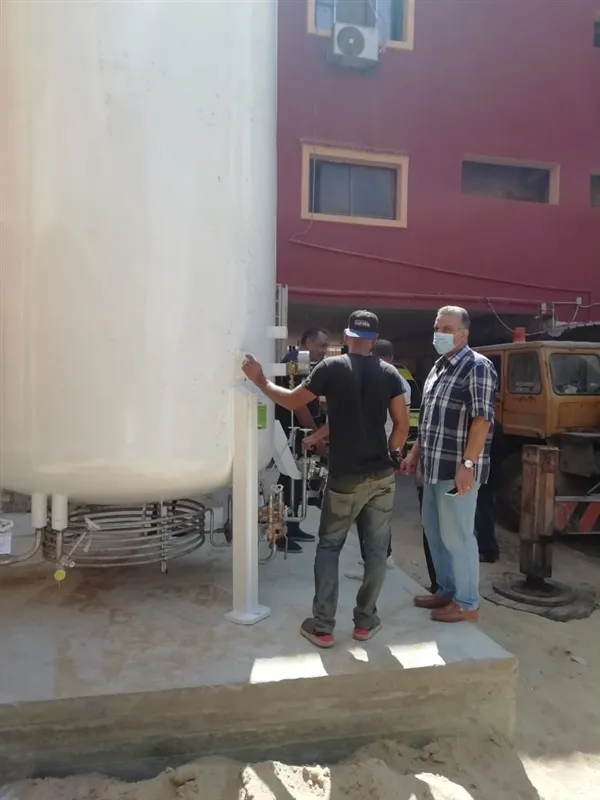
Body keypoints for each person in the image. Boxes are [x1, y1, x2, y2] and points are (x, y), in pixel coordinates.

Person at [243, 310, 409, 648]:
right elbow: (402, 426)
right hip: (381, 476)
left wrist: (260, 380)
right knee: (376, 551)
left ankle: (323, 627)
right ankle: (365, 622)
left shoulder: (331, 368)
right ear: (375, 341)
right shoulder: (389, 373)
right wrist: (392, 453)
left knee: (330, 546)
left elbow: (292, 400)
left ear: (345, 338)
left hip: (345, 476)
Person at [401, 306, 497, 623]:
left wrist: (467, 464)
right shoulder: (438, 368)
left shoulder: (477, 366)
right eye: (437, 327)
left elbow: (482, 420)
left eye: (447, 329)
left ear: (463, 334)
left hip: (457, 472)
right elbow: (429, 421)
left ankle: (467, 603)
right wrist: (414, 454)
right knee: (435, 532)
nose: (439, 334)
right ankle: (446, 590)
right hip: (432, 468)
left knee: (458, 537)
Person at [275, 328, 329, 554]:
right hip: (290, 431)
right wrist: (315, 434)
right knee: (287, 480)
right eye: (322, 345)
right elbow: (298, 405)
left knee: (297, 479)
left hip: (298, 432)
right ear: (308, 342)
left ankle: (293, 525)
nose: (325, 351)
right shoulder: (294, 362)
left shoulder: (305, 364)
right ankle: (279, 533)